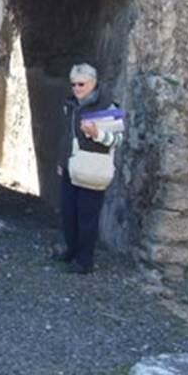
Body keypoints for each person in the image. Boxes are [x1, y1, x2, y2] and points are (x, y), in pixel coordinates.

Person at [55, 63, 123, 274]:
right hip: (72, 167)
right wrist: (61, 161)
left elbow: (118, 140)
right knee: (69, 213)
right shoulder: (72, 104)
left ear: (93, 83)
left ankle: (85, 261)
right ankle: (72, 250)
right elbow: (67, 136)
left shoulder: (109, 107)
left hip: (92, 168)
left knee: (87, 217)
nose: (76, 88)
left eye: (81, 84)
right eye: (74, 84)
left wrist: (97, 134)